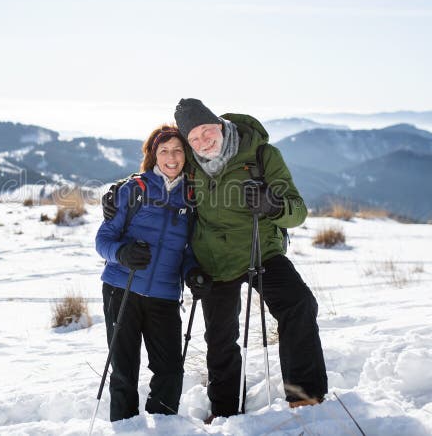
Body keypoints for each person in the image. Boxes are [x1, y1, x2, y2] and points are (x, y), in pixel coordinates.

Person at [174, 98, 328, 421]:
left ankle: (306, 398)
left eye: (206, 131)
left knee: (298, 304)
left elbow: (298, 210)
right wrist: (122, 195)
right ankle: (226, 415)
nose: (203, 142)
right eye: (194, 138)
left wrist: (273, 206)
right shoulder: (187, 162)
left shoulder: (261, 154)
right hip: (214, 260)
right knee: (220, 340)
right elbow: (154, 174)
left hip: (263, 251)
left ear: (218, 123)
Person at [94, 124, 196, 421]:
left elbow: (188, 251)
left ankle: (164, 426)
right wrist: (122, 253)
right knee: (124, 371)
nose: (171, 156)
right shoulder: (133, 190)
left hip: (164, 295)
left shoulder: (192, 197)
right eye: (164, 150)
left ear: (186, 155)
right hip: (121, 288)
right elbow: (102, 242)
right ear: (153, 155)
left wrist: (193, 274)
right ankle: (124, 428)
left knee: (170, 372)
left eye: (177, 149)